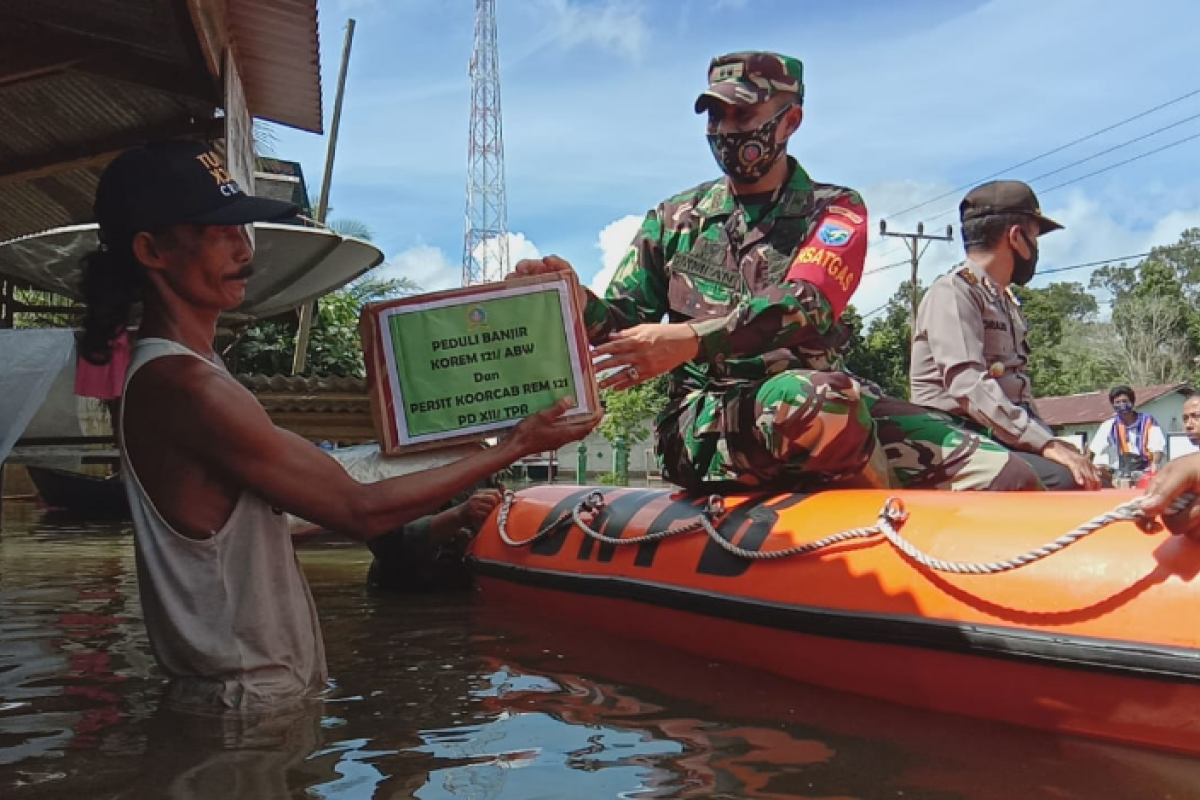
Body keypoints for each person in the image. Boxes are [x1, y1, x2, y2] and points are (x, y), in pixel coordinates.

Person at [77, 140, 596, 712]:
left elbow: (317, 499)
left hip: (251, 694)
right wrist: (518, 444)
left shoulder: (193, 371)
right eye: (216, 230)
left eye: (242, 227)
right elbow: (358, 510)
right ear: (152, 250)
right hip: (242, 705)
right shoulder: (185, 386)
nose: (243, 246)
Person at [512, 52, 1040, 493]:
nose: (723, 131)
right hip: (707, 419)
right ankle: (886, 526)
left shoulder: (834, 211)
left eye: (740, 116)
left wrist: (693, 338)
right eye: (714, 117)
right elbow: (627, 326)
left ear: (790, 120)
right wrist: (576, 302)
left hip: (830, 400)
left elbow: (805, 303)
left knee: (1008, 475)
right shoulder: (673, 221)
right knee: (817, 403)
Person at [910, 180, 1100, 491]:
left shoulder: (1004, 302)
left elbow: (1018, 394)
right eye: (1035, 238)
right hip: (951, 437)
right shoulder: (954, 292)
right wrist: (1045, 446)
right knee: (1061, 480)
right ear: (1015, 236)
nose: (1036, 250)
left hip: (996, 436)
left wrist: (1050, 442)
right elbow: (968, 384)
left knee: (1090, 476)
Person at [1089, 385, 1166, 481]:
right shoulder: (1109, 425)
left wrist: (1155, 464)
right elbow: (1093, 449)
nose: (1122, 405)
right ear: (1113, 405)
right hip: (1120, 472)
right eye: (1117, 402)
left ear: (1132, 403)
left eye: (1125, 401)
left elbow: (1158, 446)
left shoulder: (1148, 421)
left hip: (1145, 469)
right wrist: (1087, 466)